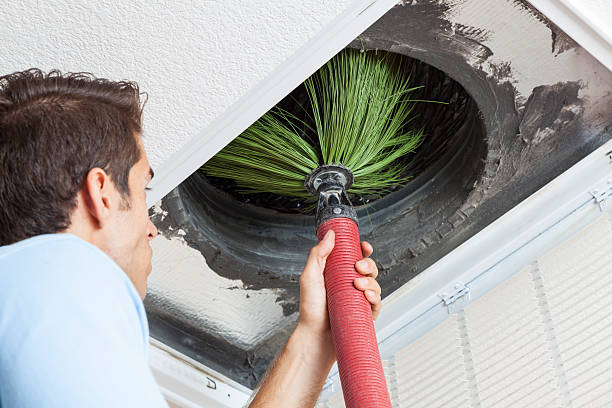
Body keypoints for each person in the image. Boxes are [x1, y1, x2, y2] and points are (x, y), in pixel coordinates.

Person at [0, 69, 383, 407]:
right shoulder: (61, 294)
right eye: (142, 193)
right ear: (102, 194)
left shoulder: (30, 314)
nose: (151, 228)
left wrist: (316, 339)